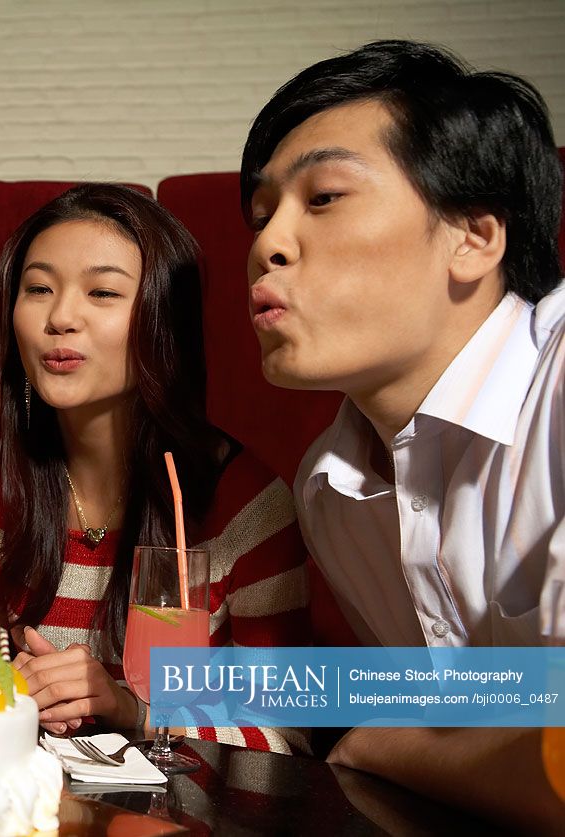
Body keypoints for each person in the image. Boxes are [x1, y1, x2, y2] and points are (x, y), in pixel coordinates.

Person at [241, 40, 564, 825]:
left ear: (474, 237)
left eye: (322, 197)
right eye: (260, 214)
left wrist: (378, 747)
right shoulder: (329, 488)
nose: (265, 245)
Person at [0, 184, 311, 753]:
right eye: (38, 288)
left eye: (103, 292)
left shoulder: (245, 504)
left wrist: (132, 710)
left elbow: (288, 732)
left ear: (162, 319)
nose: (61, 317)